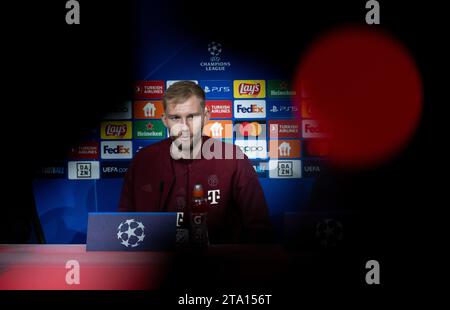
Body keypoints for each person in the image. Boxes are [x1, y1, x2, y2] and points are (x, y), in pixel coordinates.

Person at [119, 81, 273, 243]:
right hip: (155, 265)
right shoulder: (143, 160)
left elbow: (259, 229)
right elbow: (123, 226)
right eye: (175, 118)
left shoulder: (233, 158)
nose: (184, 127)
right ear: (164, 120)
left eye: (192, 117)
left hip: (222, 265)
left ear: (206, 117)